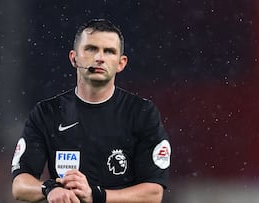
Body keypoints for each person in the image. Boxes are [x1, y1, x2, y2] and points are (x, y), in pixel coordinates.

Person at [11, 19, 171, 203]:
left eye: (109, 51)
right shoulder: (47, 113)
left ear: (121, 63)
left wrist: (95, 195)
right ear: (74, 58)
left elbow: (153, 193)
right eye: (91, 49)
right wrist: (49, 188)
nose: (99, 58)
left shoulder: (142, 113)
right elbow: (19, 185)